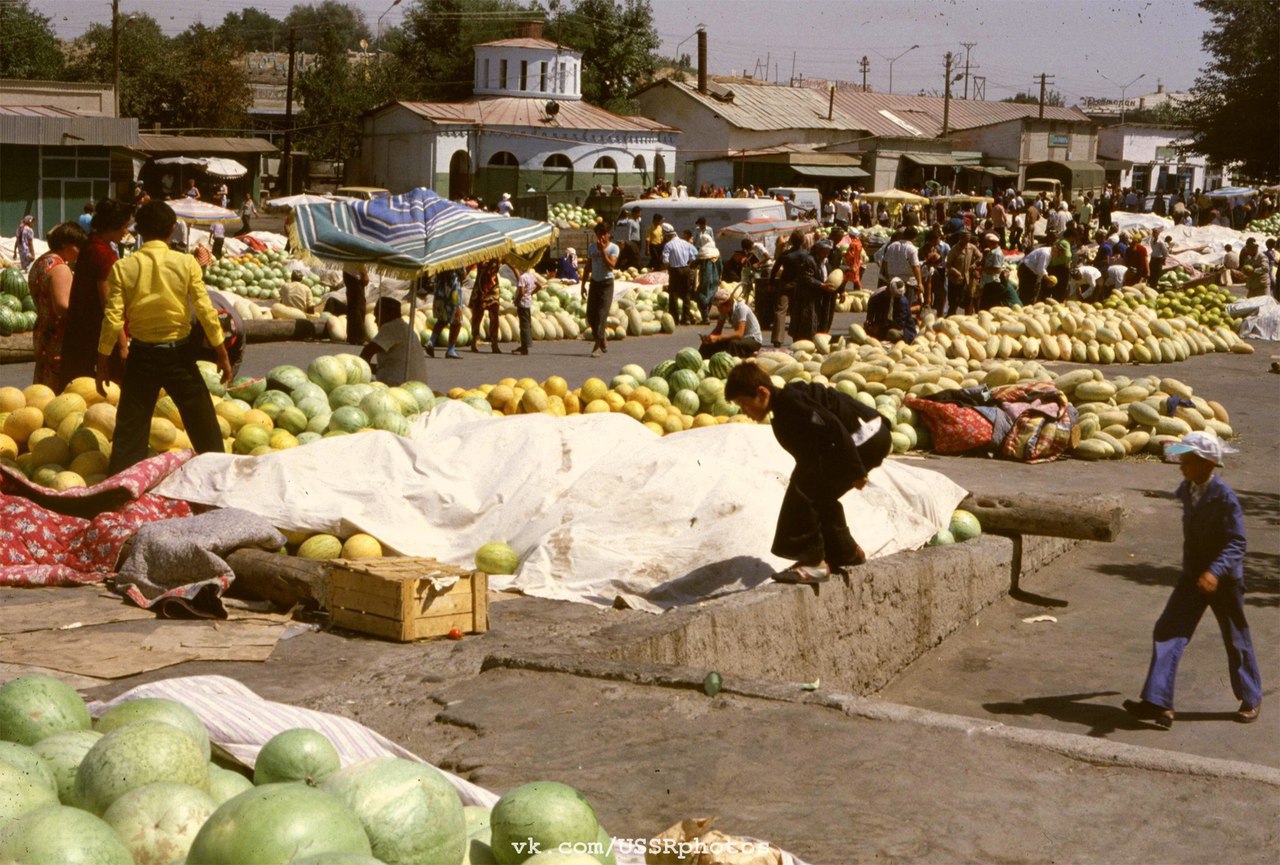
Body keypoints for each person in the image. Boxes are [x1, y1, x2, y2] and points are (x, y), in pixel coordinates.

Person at [1123, 432, 1261, 729]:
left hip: (1223, 579)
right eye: (1181, 459)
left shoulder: (1225, 497)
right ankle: (1159, 702)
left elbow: (1237, 542)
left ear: (1209, 463)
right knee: (1168, 630)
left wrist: (1215, 571)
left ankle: (1251, 697)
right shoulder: (1186, 489)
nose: (1181, 465)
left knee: (1235, 637)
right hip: (1193, 576)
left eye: (1187, 460)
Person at [95, 200, 231, 474]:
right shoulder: (186, 263)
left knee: (130, 430)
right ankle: (220, 480)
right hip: (179, 355)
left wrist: (102, 362)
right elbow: (206, 310)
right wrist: (222, 352)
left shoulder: (124, 267)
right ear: (172, 229)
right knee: (203, 424)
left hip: (142, 355)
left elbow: (113, 319)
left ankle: (121, 491)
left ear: (139, 231)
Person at [725, 362, 892, 584]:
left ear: (762, 393)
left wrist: (856, 470)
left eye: (744, 403)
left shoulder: (791, 402)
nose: (744, 412)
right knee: (815, 484)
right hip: (868, 435)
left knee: (804, 487)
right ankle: (846, 551)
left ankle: (814, 563)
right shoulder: (784, 407)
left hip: (867, 437)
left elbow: (833, 426)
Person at [62, 198, 135, 384]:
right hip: (98, 337)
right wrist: (122, 344)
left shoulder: (89, 246)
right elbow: (109, 305)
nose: (126, 232)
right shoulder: (102, 254)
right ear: (113, 226)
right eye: (124, 227)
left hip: (81, 333)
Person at [27, 221, 87, 392]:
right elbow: (62, 306)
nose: (80, 251)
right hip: (58, 336)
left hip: (43, 330)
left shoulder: (41, 262)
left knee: (43, 387)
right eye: (77, 246)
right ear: (64, 244)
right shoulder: (60, 267)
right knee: (59, 387)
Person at [360, 297, 429, 386]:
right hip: (418, 384)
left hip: (401, 385)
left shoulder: (392, 327)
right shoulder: (404, 327)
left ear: (388, 314)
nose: (375, 320)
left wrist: (360, 371)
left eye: (377, 315)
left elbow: (368, 351)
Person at [769, 230, 821, 346]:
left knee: (780, 311)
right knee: (798, 311)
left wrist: (771, 284)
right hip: (800, 286)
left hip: (785, 284)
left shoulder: (785, 255)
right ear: (803, 241)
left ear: (791, 241)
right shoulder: (807, 255)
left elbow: (774, 270)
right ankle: (797, 336)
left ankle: (777, 339)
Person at [585, 223, 619, 357]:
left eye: (603, 234)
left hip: (606, 284)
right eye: (598, 234)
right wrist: (583, 285)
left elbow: (612, 266)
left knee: (601, 315)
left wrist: (602, 251)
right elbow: (588, 266)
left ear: (608, 234)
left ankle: (597, 347)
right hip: (594, 283)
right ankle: (602, 337)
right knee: (590, 316)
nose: (601, 237)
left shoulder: (613, 248)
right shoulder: (592, 248)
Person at [699, 288, 762, 359]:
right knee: (708, 344)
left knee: (732, 343)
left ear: (727, 305)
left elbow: (739, 334)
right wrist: (709, 338)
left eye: (719, 307)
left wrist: (718, 338)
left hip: (753, 340)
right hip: (741, 340)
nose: (718, 309)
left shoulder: (741, 308)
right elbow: (718, 330)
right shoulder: (724, 311)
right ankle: (701, 360)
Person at [661, 224, 696, 326]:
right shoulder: (686, 243)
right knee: (686, 294)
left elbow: (665, 260)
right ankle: (686, 319)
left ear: (667, 236)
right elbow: (693, 257)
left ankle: (675, 318)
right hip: (686, 269)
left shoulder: (668, 245)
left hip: (675, 270)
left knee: (673, 294)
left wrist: (668, 268)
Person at [425, 268, 463, 360]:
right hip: (453, 292)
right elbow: (463, 274)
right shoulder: (456, 257)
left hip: (440, 291)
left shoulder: (441, 257)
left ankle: (431, 342)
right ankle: (451, 350)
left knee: (442, 319)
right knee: (456, 321)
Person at [469, 258, 502, 354]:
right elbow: (470, 266)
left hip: (493, 288)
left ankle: (494, 343)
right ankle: (474, 340)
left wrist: (519, 277)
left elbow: (512, 263)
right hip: (480, 287)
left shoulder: (499, 254)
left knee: (494, 316)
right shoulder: (481, 253)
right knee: (477, 315)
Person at [945, 231, 981, 316]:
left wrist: (975, 264)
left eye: (968, 240)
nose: (966, 242)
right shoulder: (954, 249)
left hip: (967, 279)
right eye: (965, 240)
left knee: (968, 300)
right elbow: (948, 265)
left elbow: (980, 256)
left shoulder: (972, 247)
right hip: (955, 280)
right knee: (954, 301)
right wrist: (955, 271)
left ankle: (967, 318)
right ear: (960, 239)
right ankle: (951, 317)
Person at [343, 263, 369, 345]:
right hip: (355, 275)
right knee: (359, 306)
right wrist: (364, 273)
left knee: (352, 306)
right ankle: (358, 336)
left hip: (348, 273)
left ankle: (352, 336)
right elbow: (360, 259)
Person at [514, 265, 536, 354]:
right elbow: (539, 285)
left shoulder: (522, 277)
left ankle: (524, 347)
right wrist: (530, 293)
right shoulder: (531, 276)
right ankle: (525, 345)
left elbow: (522, 292)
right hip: (528, 303)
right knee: (527, 323)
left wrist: (517, 300)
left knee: (523, 325)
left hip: (522, 304)